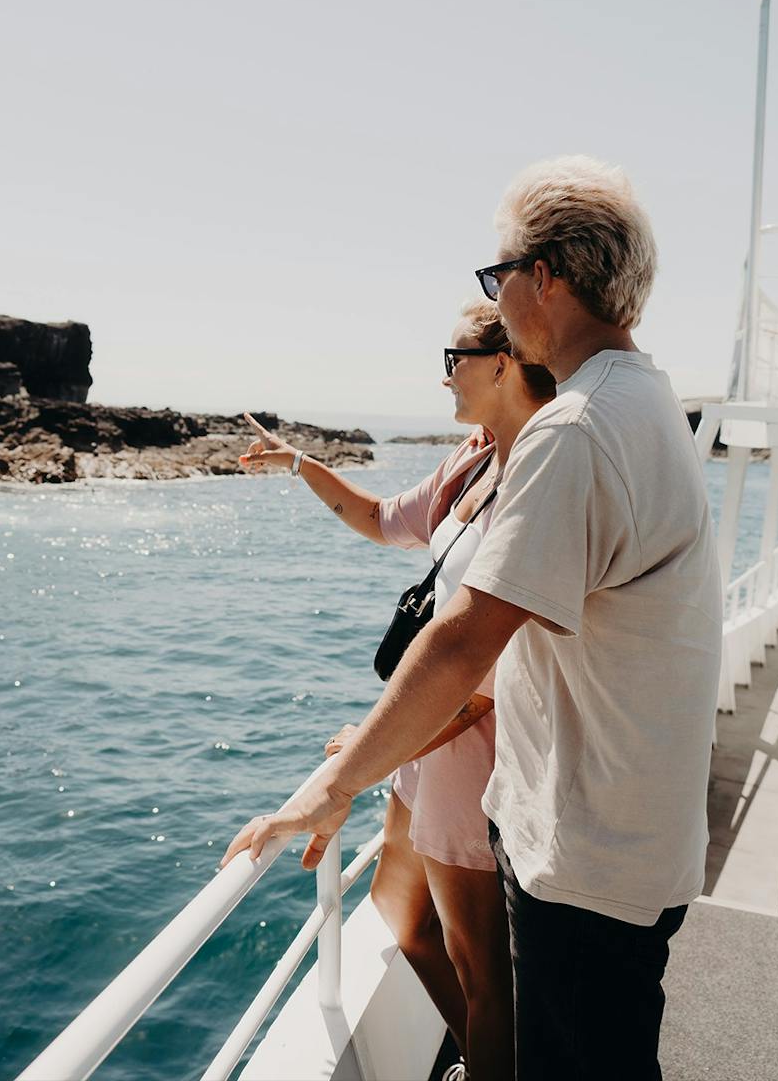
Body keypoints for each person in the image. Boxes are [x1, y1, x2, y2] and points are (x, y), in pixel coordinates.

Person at [224, 156, 722, 1081]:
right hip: (636, 841)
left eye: (497, 277)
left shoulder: (574, 430)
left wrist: (327, 792)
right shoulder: (648, 399)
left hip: (587, 854)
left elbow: (463, 641)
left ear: (548, 277)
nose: (496, 297)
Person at [239, 299, 555, 1080]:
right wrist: (300, 464)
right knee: (401, 914)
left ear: (503, 362)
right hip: (422, 737)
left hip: (471, 753)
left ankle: (493, 1068)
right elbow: (379, 517)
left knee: (482, 967)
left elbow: (484, 682)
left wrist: (376, 748)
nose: (444, 374)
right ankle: (494, 1062)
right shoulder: (473, 461)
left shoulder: (541, 479)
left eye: (453, 358)